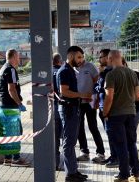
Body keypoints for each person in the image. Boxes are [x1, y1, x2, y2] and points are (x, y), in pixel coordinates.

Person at [103, 50, 139, 182]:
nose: (107, 61)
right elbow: (137, 96)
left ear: (111, 59)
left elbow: (109, 97)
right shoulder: (132, 73)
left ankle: (123, 175)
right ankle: (136, 174)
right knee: (131, 144)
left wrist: (105, 113)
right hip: (131, 113)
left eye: (108, 59)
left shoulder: (111, 75)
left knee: (121, 145)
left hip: (116, 115)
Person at [56, 46, 91, 182]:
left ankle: (73, 170)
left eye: (82, 57)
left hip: (72, 109)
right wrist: (81, 94)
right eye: (79, 57)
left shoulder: (70, 70)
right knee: (68, 142)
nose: (81, 60)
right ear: (71, 56)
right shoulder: (64, 71)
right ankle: (70, 174)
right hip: (68, 110)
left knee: (72, 141)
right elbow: (64, 91)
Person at [0, 49, 30, 167]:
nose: (19, 59)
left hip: (3, 105)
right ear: (14, 57)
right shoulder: (11, 69)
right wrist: (19, 103)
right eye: (18, 57)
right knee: (16, 131)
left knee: (8, 132)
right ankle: (16, 158)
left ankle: (8, 158)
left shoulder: (2, 69)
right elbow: (12, 89)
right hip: (10, 106)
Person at [76, 57, 105, 163]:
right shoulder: (73, 68)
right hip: (78, 102)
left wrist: (97, 99)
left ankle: (101, 153)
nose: (79, 59)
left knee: (93, 127)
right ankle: (84, 152)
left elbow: (98, 83)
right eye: (77, 57)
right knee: (79, 128)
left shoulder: (90, 66)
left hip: (90, 102)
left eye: (80, 56)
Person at [94, 49, 119, 168]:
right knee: (109, 134)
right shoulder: (104, 72)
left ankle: (116, 158)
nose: (99, 59)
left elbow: (107, 92)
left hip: (108, 109)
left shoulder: (110, 73)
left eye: (101, 57)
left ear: (108, 57)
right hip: (103, 107)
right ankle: (113, 156)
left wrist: (106, 111)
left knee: (113, 135)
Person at [122, 58, 139, 128]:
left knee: (131, 134)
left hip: (134, 109)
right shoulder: (112, 75)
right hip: (120, 111)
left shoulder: (134, 74)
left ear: (124, 64)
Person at [52, 53, 63, 170]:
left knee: (55, 138)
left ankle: (55, 163)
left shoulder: (48, 72)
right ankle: (66, 163)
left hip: (51, 108)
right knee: (65, 137)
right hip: (62, 107)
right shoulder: (63, 71)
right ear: (60, 61)